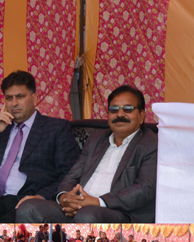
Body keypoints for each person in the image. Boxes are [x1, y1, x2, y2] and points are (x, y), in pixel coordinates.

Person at [17, 85, 158, 223]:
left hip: (120, 213)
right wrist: (65, 198)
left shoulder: (151, 143)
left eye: (128, 109)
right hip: (79, 207)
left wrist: (98, 202)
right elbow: (72, 176)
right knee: (28, 208)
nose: (120, 114)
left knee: (87, 215)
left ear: (141, 116)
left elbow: (145, 189)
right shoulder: (96, 139)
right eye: (114, 109)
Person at [0, 70, 79, 223]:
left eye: (20, 96)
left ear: (34, 98)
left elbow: (70, 174)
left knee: (4, 224)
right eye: (9, 98)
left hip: (24, 200)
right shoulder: (2, 129)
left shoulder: (56, 128)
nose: (14, 103)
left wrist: (41, 197)